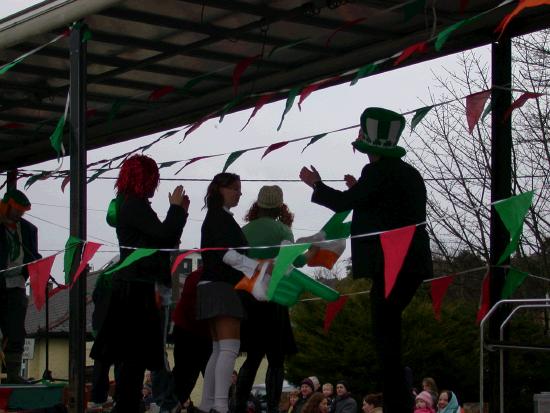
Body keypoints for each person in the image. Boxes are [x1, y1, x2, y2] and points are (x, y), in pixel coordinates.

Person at [300, 107, 433, 413]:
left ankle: (398, 404)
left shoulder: (376, 172)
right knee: (390, 334)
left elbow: (346, 204)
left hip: (391, 263)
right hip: (413, 263)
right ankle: (400, 401)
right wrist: (359, 190)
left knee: (385, 339)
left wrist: (317, 185)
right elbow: (387, 208)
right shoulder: (408, 173)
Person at [90, 154, 190, 412]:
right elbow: (164, 235)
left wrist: (180, 212)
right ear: (145, 178)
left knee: (132, 359)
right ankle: (127, 404)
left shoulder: (132, 204)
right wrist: (176, 209)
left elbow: (164, 241)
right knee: (132, 359)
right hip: (134, 288)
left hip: (138, 286)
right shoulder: (133, 205)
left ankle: (128, 403)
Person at [236, 185, 312, 413]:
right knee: (276, 360)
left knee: (252, 357)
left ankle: (237, 405)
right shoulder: (283, 230)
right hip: (274, 296)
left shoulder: (244, 230)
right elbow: (292, 263)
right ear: (280, 206)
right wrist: (312, 253)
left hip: (247, 296)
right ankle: (272, 408)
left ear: (257, 205)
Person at [197, 172, 263, 413]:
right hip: (221, 286)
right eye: (235, 188)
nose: (239, 193)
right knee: (228, 348)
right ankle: (221, 405)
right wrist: (258, 267)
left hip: (211, 286)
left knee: (218, 349)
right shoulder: (219, 218)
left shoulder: (216, 217)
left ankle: (208, 404)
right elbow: (226, 254)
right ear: (220, 189)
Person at [0, 189, 41, 384]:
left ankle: (14, 374)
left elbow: (33, 254)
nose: (19, 215)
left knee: (16, 330)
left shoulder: (28, 229)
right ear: (5, 205)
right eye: (16, 210)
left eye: (22, 211)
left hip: (16, 284)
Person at [172, 267, 212, 408]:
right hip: (191, 332)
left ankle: (173, 404)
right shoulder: (199, 277)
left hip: (197, 332)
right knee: (186, 376)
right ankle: (172, 404)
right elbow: (192, 308)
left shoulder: (198, 275)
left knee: (187, 376)